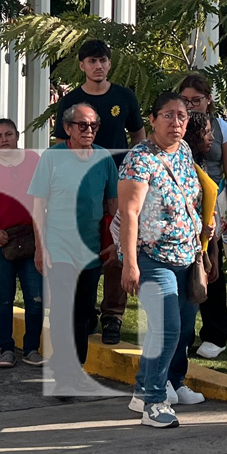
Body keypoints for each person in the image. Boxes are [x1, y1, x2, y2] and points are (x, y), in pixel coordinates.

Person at [116, 93, 209, 429]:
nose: (176, 123)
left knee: (182, 329)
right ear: (152, 119)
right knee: (167, 328)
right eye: (168, 115)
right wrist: (129, 263)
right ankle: (153, 401)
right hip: (151, 256)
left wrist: (201, 231)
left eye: (182, 116)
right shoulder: (139, 159)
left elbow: (191, 197)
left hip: (187, 255)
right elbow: (129, 212)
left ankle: (146, 387)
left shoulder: (183, 152)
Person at [53, 40, 144, 346]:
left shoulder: (124, 96)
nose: (99, 66)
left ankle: (113, 316)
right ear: (82, 65)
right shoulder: (70, 101)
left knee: (117, 248)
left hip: (121, 183)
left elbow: (138, 136)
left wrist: (137, 169)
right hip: (83, 186)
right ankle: (86, 313)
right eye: (92, 61)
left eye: (103, 60)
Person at [31, 102, 119, 388]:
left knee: (83, 311)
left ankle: (73, 365)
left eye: (94, 125)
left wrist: (115, 241)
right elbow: (38, 204)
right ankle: (65, 370)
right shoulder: (52, 157)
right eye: (82, 125)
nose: (89, 130)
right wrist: (40, 247)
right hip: (59, 247)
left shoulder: (104, 158)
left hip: (91, 249)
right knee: (62, 309)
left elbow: (113, 204)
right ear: (68, 128)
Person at [0, 118, 45, 368]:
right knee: (4, 297)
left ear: (17, 136)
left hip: (30, 237)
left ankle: (31, 348)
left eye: (9, 134)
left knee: (35, 297)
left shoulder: (34, 161)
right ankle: (6, 348)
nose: (4, 139)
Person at [177, 74, 227, 360]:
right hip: (179, 206)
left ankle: (215, 333)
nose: (191, 107)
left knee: (211, 267)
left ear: (208, 100)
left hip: (212, 203)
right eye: (186, 101)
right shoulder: (174, 124)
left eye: (196, 101)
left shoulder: (221, 128)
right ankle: (183, 332)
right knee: (184, 269)